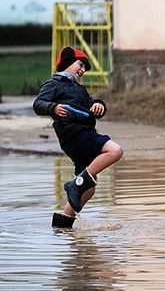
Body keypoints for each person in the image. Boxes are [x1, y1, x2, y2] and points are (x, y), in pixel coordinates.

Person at [33, 46, 123, 228]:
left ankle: (63, 222)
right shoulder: (53, 84)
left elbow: (91, 104)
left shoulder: (79, 89)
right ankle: (75, 184)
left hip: (79, 137)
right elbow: (38, 104)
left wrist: (99, 105)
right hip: (75, 134)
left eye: (84, 68)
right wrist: (53, 107)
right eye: (80, 65)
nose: (82, 70)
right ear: (67, 64)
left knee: (88, 190)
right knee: (115, 150)